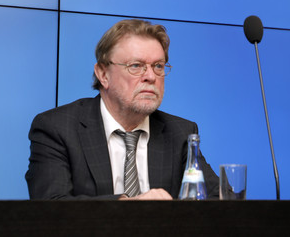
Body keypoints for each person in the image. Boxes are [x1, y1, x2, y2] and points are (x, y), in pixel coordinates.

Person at [26, 19, 219, 200]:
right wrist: (129, 209)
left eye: (158, 66)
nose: (151, 77)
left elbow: (219, 200)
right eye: (136, 65)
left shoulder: (180, 132)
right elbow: (52, 206)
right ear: (103, 74)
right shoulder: (57, 128)